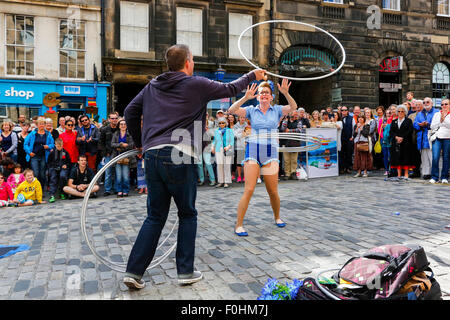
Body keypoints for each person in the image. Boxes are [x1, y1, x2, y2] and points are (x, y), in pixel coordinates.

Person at [122, 43, 267, 289]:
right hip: (180, 153)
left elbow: (129, 112)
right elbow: (230, 88)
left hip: (153, 154)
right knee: (187, 213)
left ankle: (133, 272)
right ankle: (185, 271)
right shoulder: (195, 83)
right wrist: (253, 75)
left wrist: (140, 144)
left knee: (155, 216)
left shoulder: (152, 86)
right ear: (189, 62)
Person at [228, 78, 297, 237]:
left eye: (267, 92)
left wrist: (286, 93)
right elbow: (232, 110)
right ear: (257, 96)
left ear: (271, 96)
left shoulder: (278, 110)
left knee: (272, 191)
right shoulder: (251, 110)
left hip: (270, 151)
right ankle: (239, 225)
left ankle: (277, 217)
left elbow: (293, 107)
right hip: (253, 149)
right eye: (261, 93)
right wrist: (246, 97)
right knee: (249, 189)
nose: (264, 94)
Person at [23, 117, 55, 188]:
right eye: (40, 124)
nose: (42, 125)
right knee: (36, 173)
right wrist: (29, 152)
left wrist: (48, 146)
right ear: (37, 125)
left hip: (44, 156)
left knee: (43, 174)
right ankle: (35, 189)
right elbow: (25, 144)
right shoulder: (32, 133)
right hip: (34, 156)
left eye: (43, 124)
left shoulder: (48, 134)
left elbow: (52, 144)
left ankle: (41, 189)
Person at [413, 98, 438, 180]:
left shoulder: (436, 112)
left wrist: (428, 124)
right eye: (424, 102)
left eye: (427, 102)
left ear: (431, 103)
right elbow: (415, 124)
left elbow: (437, 124)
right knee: (424, 157)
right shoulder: (420, 113)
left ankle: (434, 174)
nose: (426, 103)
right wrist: (420, 125)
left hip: (432, 137)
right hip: (422, 138)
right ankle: (426, 173)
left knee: (433, 157)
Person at [389, 105, 415, 180]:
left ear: (405, 112)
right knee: (397, 158)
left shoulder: (408, 120)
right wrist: (396, 137)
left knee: (406, 158)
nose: (400, 113)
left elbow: (410, 130)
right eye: (399, 111)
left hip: (406, 142)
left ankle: (406, 174)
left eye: (402, 111)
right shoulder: (394, 121)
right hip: (396, 143)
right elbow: (391, 132)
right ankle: (399, 174)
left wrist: (402, 137)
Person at [111, 119, 136, 197]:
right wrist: (121, 144)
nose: (123, 126)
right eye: (121, 124)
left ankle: (125, 190)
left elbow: (132, 144)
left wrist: (125, 146)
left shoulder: (130, 134)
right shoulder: (116, 134)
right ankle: (119, 190)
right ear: (119, 126)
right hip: (117, 157)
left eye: (124, 124)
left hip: (127, 157)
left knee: (125, 176)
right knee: (118, 176)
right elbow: (112, 144)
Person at [429, 99, 450, 184]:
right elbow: (432, 126)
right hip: (437, 136)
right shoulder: (437, 114)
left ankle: (444, 177)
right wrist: (440, 121)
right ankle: (434, 176)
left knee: (446, 157)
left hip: (447, 137)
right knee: (435, 157)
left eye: (446, 104)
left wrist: (443, 120)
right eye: (442, 104)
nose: (444, 106)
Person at [99, 113, 120, 196]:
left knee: (116, 172)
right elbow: (101, 142)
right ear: (109, 119)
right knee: (108, 173)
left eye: (115, 118)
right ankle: (107, 189)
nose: (114, 120)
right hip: (108, 153)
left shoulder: (119, 129)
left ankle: (116, 188)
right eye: (112, 118)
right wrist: (105, 153)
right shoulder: (104, 130)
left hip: (118, 153)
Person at [212, 117, 234, 188]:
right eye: (220, 123)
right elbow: (214, 140)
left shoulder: (229, 130)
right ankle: (221, 181)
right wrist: (212, 147)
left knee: (226, 166)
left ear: (225, 123)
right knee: (219, 166)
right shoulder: (216, 131)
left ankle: (226, 182)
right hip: (218, 149)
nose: (221, 124)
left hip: (227, 149)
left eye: (223, 123)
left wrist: (228, 146)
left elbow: (232, 141)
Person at [47, 138, 71, 203]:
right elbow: (49, 162)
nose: (59, 147)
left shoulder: (65, 153)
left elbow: (69, 162)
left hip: (63, 168)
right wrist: (52, 168)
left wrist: (66, 165)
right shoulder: (52, 153)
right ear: (55, 145)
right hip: (53, 168)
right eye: (58, 146)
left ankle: (62, 192)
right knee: (53, 178)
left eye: (60, 146)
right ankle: (52, 195)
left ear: (63, 145)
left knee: (62, 176)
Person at [280, 110, 300, 180]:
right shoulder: (286, 121)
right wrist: (286, 120)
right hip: (286, 142)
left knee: (294, 159)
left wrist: (290, 131)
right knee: (286, 159)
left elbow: (299, 130)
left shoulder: (298, 122)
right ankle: (287, 173)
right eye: (294, 115)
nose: (296, 116)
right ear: (291, 115)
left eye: (296, 115)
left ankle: (293, 173)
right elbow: (283, 128)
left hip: (295, 142)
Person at [197, 119, 216, 186]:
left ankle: (212, 179)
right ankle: (201, 180)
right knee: (199, 164)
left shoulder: (210, 130)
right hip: (198, 148)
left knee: (208, 163)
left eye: (205, 122)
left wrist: (212, 147)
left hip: (207, 148)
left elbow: (214, 139)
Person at [233, 115, 247, 183]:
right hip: (239, 146)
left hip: (247, 146)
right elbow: (235, 135)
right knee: (239, 163)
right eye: (241, 117)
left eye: (243, 117)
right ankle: (239, 176)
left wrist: (243, 135)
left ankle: (245, 176)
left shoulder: (247, 125)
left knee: (246, 163)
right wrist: (243, 134)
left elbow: (249, 134)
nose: (242, 118)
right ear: (238, 118)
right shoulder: (235, 126)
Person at [340, 106, 354, 174]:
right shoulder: (339, 119)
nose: (344, 111)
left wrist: (352, 137)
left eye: (345, 110)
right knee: (342, 153)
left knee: (349, 153)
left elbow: (354, 128)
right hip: (341, 139)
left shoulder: (351, 118)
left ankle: (348, 167)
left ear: (347, 111)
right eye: (342, 110)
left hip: (349, 138)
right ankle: (343, 167)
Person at [381, 109, 393, 175]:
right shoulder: (383, 120)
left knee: (390, 155)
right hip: (384, 139)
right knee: (385, 155)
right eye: (387, 113)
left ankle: (391, 168)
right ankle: (386, 169)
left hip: (390, 139)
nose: (388, 114)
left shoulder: (393, 120)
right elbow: (379, 129)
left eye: (390, 113)